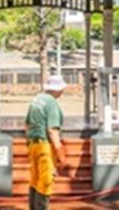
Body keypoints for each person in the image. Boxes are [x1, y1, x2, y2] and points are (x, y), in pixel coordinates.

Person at [25, 75, 68, 210]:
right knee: (46, 181)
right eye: (61, 89)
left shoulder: (36, 100)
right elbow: (52, 130)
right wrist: (60, 151)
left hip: (33, 145)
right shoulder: (51, 103)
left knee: (34, 180)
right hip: (45, 146)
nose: (62, 92)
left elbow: (27, 125)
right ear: (56, 89)